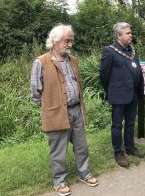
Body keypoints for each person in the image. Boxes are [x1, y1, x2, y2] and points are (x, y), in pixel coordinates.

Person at [30, 24, 98, 196]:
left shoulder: (73, 60)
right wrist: (50, 106)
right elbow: (35, 91)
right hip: (56, 113)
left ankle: (85, 173)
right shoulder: (41, 62)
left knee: (81, 146)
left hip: (76, 111)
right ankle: (59, 182)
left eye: (71, 40)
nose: (70, 44)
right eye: (67, 40)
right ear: (55, 41)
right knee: (58, 151)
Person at [100, 22, 145, 168]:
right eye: (128, 33)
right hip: (118, 95)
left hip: (133, 93)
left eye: (130, 33)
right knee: (117, 125)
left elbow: (137, 69)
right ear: (119, 36)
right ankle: (118, 152)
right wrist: (112, 90)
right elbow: (104, 76)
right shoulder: (109, 51)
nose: (131, 35)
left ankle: (130, 148)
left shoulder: (131, 50)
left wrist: (139, 89)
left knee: (131, 123)